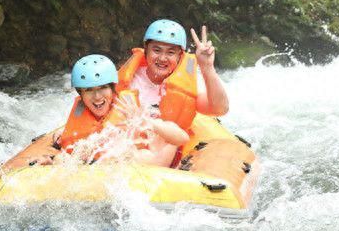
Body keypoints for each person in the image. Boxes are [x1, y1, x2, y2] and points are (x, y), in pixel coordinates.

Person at [36, 54, 189, 167]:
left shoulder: (130, 108)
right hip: (98, 172)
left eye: (102, 88)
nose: (97, 97)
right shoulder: (79, 120)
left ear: (112, 89)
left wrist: (146, 121)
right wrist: (51, 161)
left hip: (143, 169)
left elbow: (181, 138)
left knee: (130, 153)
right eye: (89, 90)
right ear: (81, 95)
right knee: (61, 159)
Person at [116, 19, 229, 131]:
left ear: (180, 55)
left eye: (170, 52)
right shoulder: (130, 79)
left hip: (172, 143)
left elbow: (220, 109)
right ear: (146, 49)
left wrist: (207, 67)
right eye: (157, 50)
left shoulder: (188, 82)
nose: (162, 58)